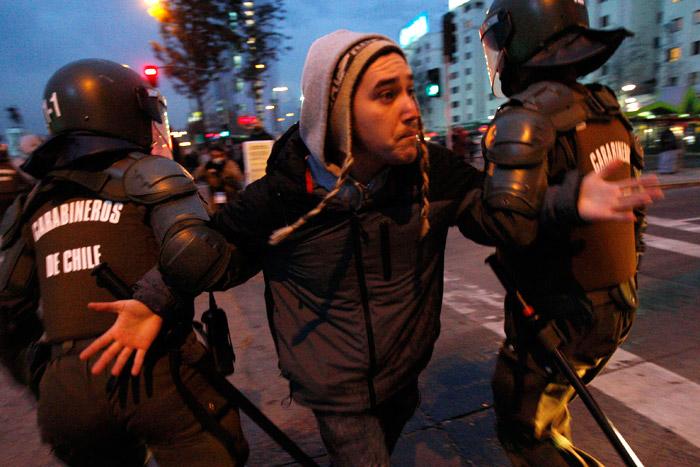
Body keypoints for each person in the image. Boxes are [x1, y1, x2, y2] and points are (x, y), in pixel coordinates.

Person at [82, 30, 660, 466]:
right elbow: (216, 251)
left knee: (389, 430)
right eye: (386, 94)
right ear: (337, 112)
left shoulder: (432, 171)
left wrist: (566, 200)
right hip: (336, 389)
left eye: (408, 89)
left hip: (405, 371)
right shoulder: (286, 192)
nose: (411, 107)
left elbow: (493, 216)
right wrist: (155, 299)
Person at [0, 59, 248, 466]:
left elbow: (6, 308)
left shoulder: (32, 203)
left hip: (68, 391)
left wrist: (47, 374)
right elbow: (197, 250)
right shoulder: (149, 173)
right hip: (158, 372)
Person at [479, 1, 660, 465]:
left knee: (523, 426)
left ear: (520, 36)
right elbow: (635, 219)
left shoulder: (526, 117)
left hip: (562, 314)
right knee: (549, 407)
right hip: (614, 302)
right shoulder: (605, 108)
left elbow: (508, 224)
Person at [193, 144, 244, 211]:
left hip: (230, 192)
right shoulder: (208, 165)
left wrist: (222, 171)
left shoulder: (229, 164)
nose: (216, 158)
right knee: (220, 209)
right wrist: (207, 170)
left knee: (232, 209)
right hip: (217, 191)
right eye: (213, 156)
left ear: (223, 155)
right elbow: (196, 175)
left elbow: (238, 176)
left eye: (218, 156)